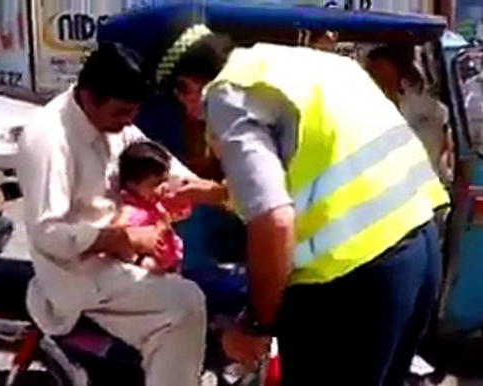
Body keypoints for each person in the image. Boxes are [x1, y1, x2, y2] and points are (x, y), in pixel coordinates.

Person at [142, 23, 449, 385]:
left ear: (186, 87)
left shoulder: (228, 94)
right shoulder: (308, 64)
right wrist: (211, 192)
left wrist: (256, 324)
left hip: (354, 280)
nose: (194, 114)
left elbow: (275, 219)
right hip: (418, 250)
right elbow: (313, 177)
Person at [16, 41, 227, 386]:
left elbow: (158, 163)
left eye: (133, 113)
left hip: (126, 258)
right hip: (80, 273)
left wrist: (209, 192)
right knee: (186, 305)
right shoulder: (48, 138)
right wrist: (121, 238)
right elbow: (47, 233)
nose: (128, 122)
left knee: (216, 282)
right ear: (87, 96)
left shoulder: (118, 124)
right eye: (121, 113)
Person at [365, 44, 453, 184]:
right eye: (370, 71)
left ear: (395, 70)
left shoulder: (422, 105)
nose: (373, 75)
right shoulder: (363, 105)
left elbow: (441, 137)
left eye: (378, 69)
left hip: (423, 181)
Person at [114, 140, 191, 273]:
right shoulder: (129, 210)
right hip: (144, 267)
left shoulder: (156, 204)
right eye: (155, 184)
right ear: (132, 184)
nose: (163, 187)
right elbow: (116, 235)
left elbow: (181, 213)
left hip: (169, 265)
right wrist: (137, 259)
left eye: (165, 180)